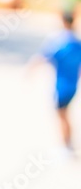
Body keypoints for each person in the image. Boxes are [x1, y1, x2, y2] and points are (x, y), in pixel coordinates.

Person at [29, 10, 81, 160]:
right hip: (73, 85)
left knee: (61, 115)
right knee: (65, 115)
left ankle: (66, 146)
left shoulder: (60, 42)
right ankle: (68, 144)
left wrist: (30, 71)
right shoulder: (77, 43)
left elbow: (44, 57)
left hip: (62, 85)